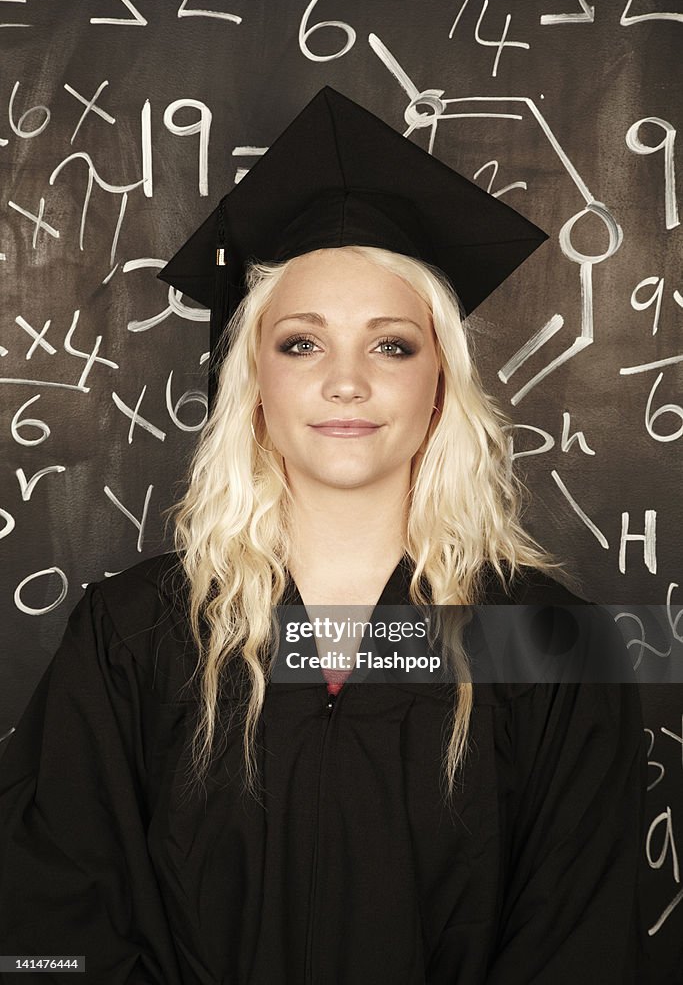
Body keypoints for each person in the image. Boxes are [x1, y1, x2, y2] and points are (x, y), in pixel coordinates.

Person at [0, 87, 645, 984]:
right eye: (301, 343)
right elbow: (56, 919)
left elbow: (582, 940)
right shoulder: (136, 634)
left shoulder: (543, 647)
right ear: (252, 379)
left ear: (441, 386)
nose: (346, 382)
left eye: (391, 345)